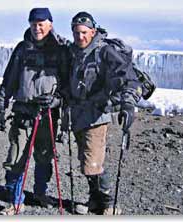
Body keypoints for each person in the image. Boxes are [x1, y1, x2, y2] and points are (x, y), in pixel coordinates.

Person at [0, 8, 69, 215]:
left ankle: (40, 193)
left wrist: (57, 100)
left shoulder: (61, 50)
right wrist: (0, 107)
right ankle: (15, 201)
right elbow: (8, 81)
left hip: (48, 116)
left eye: (41, 24)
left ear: (50, 24)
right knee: (16, 158)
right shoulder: (21, 49)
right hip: (23, 114)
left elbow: (68, 85)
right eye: (33, 24)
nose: (37, 28)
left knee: (45, 157)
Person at [67, 12, 141, 215]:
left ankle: (109, 204)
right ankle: (95, 200)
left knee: (92, 162)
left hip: (97, 115)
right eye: (76, 32)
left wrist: (127, 104)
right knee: (86, 160)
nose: (80, 36)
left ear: (92, 31)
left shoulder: (104, 52)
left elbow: (127, 78)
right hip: (78, 114)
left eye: (83, 32)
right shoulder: (73, 52)